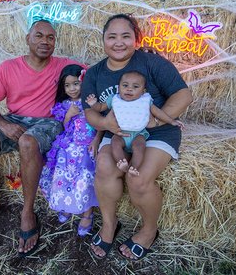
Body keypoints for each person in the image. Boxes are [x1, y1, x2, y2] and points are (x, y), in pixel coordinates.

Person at [0, 20, 83, 257]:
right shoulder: (8, 67)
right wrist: (4, 125)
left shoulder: (65, 66)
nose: (45, 42)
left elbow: (98, 71)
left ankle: (27, 212)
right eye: (39, 36)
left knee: (27, 142)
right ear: (27, 39)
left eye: (50, 37)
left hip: (48, 122)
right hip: (14, 119)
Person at [81, 14, 193, 261]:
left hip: (156, 132)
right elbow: (90, 111)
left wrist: (156, 120)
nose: (118, 42)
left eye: (125, 36)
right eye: (112, 36)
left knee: (139, 180)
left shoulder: (152, 63)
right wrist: (104, 123)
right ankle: (110, 225)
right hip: (118, 133)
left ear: (136, 39)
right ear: (103, 41)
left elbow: (183, 96)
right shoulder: (95, 73)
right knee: (104, 167)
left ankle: (149, 230)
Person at [39, 64, 101, 237]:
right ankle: (66, 204)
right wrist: (69, 115)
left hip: (87, 145)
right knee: (63, 172)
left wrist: (97, 140)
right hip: (69, 144)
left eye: (76, 84)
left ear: (83, 82)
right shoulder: (65, 104)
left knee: (84, 176)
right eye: (67, 85)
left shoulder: (91, 102)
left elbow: (101, 123)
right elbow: (64, 127)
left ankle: (87, 214)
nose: (72, 89)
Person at [86, 70, 184, 177]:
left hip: (139, 134)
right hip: (120, 133)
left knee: (139, 147)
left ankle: (134, 167)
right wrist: (93, 104)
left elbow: (158, 112)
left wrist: (171, 121)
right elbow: (100, 108)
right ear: (119, 88)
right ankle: (121, 162)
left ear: (143, 91)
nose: (129, 89)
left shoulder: (145, 101)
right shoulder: (114, 99)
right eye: (125, 85)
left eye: (135, 87)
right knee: (115, 143)